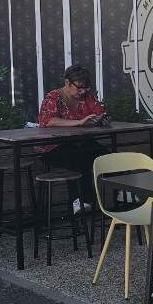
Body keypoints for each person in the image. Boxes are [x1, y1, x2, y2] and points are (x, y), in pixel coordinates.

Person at [37, 65, 110, 206]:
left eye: (86, 88)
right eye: (79, 87)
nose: (83, 91)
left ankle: (123, 192)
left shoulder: (87, 97)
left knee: (104, 155)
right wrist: (79, 122)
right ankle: (80, 202)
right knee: (80, 159)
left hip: (79, 142)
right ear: (67, 83)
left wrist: (101, 119)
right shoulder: (53, 97)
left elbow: (98, 111)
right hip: (52, 147)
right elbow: (48, 121)